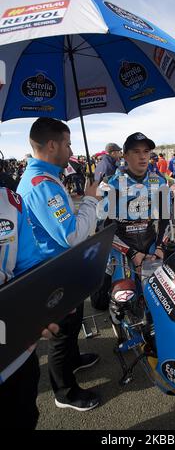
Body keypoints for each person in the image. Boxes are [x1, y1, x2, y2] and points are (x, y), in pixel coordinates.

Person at [17, 117, 101, 412]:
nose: (70, 149)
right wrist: (90, 201)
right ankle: (64, 392)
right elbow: (72, 236)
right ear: (51, 145)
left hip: (61, 268)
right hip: (52, 272)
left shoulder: (46, 177)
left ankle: (74, 360)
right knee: (62, 333)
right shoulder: (42, 184)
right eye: (67, 143)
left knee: (73, 321)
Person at [0, 186, 58, 429]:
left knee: (24, 417)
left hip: (15, 352)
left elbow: (28, 265)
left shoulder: (9, 201)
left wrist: (41, 306)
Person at [98, 132, 169, 321]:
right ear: (125, 155)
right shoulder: (113, 184)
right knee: (123, 297)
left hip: (151, 243)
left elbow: (165, 220)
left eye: (146, 151)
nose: (143, 156)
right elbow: (106, 229)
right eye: (136, 152)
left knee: (163, 296)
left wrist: (161, 247)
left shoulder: (159, 181)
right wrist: (132, 254)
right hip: (122, 247)